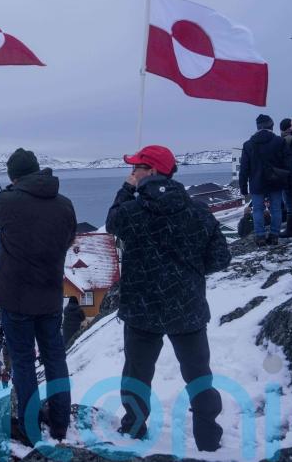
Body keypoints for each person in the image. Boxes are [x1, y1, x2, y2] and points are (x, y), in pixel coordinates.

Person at [106, 144, 231, 452]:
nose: (132, 172)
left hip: (141, 310)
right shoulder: (197, 212)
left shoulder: (133, 212)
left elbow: (112, 222)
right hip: (187, 309)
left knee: (137, 374)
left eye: (136, 168)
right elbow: (219, 258)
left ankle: (133, 429)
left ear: (150, 172)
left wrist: (126, 188)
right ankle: (208, 437)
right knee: (198, 374)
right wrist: (188, 273)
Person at [0, 148, 77, 442]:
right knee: (55, 358)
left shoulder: (9, 200)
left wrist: (9, 193)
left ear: (14, 175)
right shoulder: (65, 204)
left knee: (22, 361)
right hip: (50, 295)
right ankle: (59, 421)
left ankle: (30, 425)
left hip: (16, 297)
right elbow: (69, 238)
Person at [239, 114, 292, 246]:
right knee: (276, 209)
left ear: (257, 127)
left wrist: (243, 187)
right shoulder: (280, 142)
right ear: (271, 126)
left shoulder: (248, 144)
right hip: (276, 180)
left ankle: (260, 236)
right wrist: (290, 181)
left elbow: (244, 168)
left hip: (256, 183)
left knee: (257, 209)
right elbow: (288, 164)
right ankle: (274, 235)